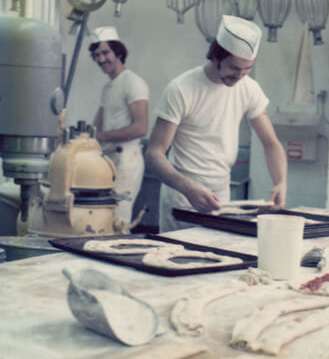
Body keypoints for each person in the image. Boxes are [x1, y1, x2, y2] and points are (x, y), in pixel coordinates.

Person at [145, 15, 287, 232]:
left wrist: (280, 182)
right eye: (234, 67)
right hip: (183, 196)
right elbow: (154, 153)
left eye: (247, 69)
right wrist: (188, 188)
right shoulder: (182, 89)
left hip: (222, 196)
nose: (240, 75)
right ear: (216, 56)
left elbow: (271, 143)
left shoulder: (248, 88)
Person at [89, 27, 149, 223]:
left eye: (105, 53)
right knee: (104, 218)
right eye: (96, 55)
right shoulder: (107, 88)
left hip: (126, 161)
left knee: (118, 220)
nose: (101, 59)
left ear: (119, 52)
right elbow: (96, 127)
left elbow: (141, 128)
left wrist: (102, 137)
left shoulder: (132, 82)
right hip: (108, 160)